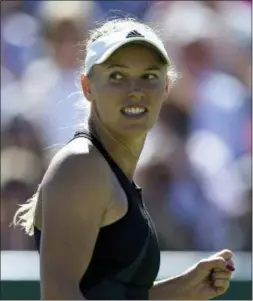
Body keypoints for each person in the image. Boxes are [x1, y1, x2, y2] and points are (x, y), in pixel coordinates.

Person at [13, 18, 235, 300]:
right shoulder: (81, 166)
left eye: (149, 76)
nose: (135, 90)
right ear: (87, 86)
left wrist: (182, 289)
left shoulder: (101, 167)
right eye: (117, 76)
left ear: (165, 87)